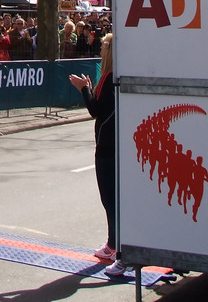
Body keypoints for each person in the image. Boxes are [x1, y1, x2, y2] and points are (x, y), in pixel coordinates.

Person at [69, 33, 131, 278]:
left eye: (104, 47)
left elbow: (95, 110)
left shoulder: (110, 77)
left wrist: (84, 89)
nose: (102, 50)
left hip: (106, 146)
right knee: (112, 199)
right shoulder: (115, 77)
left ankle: (118, 247)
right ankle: (113, 244)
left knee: (110, 199)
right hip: (114, 143)